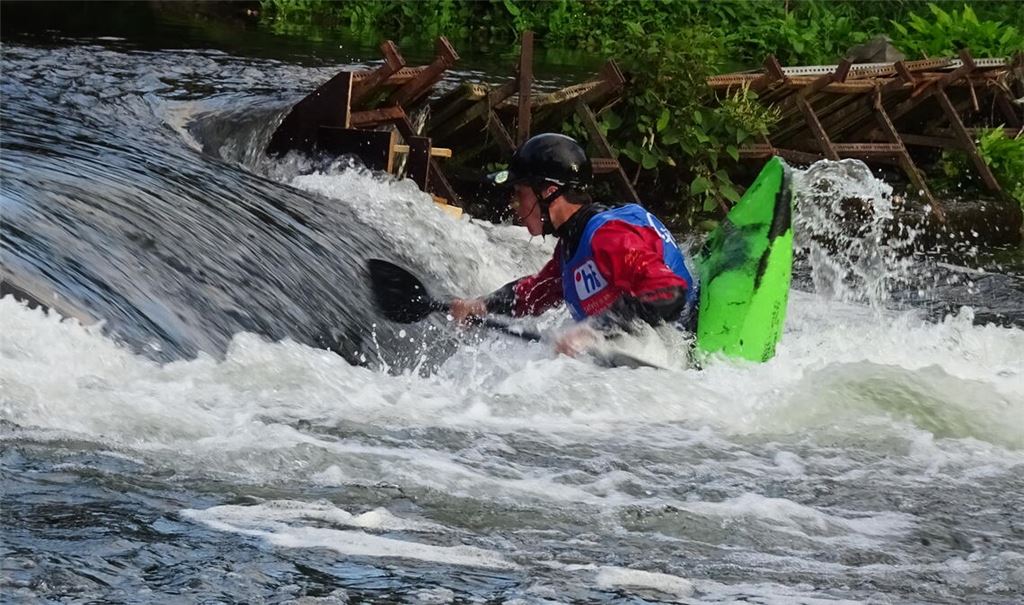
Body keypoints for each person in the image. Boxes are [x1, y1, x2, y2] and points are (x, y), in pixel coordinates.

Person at [451, 133, 697, 357]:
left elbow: (669, 292)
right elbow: (536, 291)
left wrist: (594, 330)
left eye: (519, 192)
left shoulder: (608, 236)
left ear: (548, 192)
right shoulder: (572, 246)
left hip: (685, 342)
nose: (514, 204)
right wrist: (482, 304)